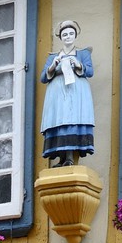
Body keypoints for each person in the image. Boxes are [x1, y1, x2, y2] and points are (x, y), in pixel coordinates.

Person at [41, 19, 94, 167]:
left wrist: (77, 64)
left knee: (71, 120)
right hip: (57, 94)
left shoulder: (83, 53)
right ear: (61, 37)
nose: (68, 37)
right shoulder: (53, 56)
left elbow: (90, 71)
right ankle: (61, 158)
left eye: (71, 33)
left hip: (76, 93)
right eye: (65, 34)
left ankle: (70, 158)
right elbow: (43, 77)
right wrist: (53, 66)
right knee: (59, 121)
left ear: (75, 35)